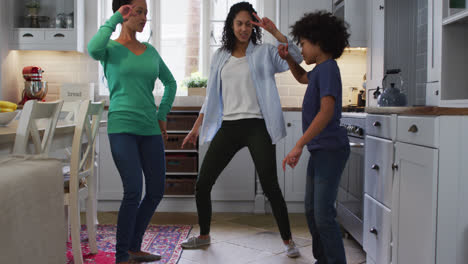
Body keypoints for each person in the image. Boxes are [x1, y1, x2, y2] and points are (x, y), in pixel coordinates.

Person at [179, 1, 303, 258]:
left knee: (270, 186)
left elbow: (299, 56)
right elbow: (211, 97)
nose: (244, 28)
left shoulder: (266, 52)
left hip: (258, 125)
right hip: (229, 126)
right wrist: (195, 128)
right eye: (239, 23)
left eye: (248, 23)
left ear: (254, 26)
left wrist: (276, 32)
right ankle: (204, 235)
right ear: (231, 25)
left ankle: (289, 240)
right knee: (203, 183)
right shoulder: (220, 56)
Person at [87, 0, 177, 263]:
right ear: (124, 12)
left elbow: (170, 83)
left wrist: (162, 116)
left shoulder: (150, 51)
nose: (144, 17)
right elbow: (92, 49)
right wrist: (115, 18)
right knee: (133, 190)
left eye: (146, 13)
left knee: (156, 190)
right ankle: (121, 255)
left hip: (149, 128)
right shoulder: (110, 49)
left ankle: (134, 248)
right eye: (138, 11)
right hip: (122, 127)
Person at [279, 11, 351, 264]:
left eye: (304, 43)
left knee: (323, 215)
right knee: (312, 210)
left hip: (331, 150)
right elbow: (301, 77)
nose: (302, 48)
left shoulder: (329, 69)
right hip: (321, 150)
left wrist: (299, 144)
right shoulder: (320, 70)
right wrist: (288, 58)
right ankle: (323, 259)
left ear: (318, 43)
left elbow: (327, 110)